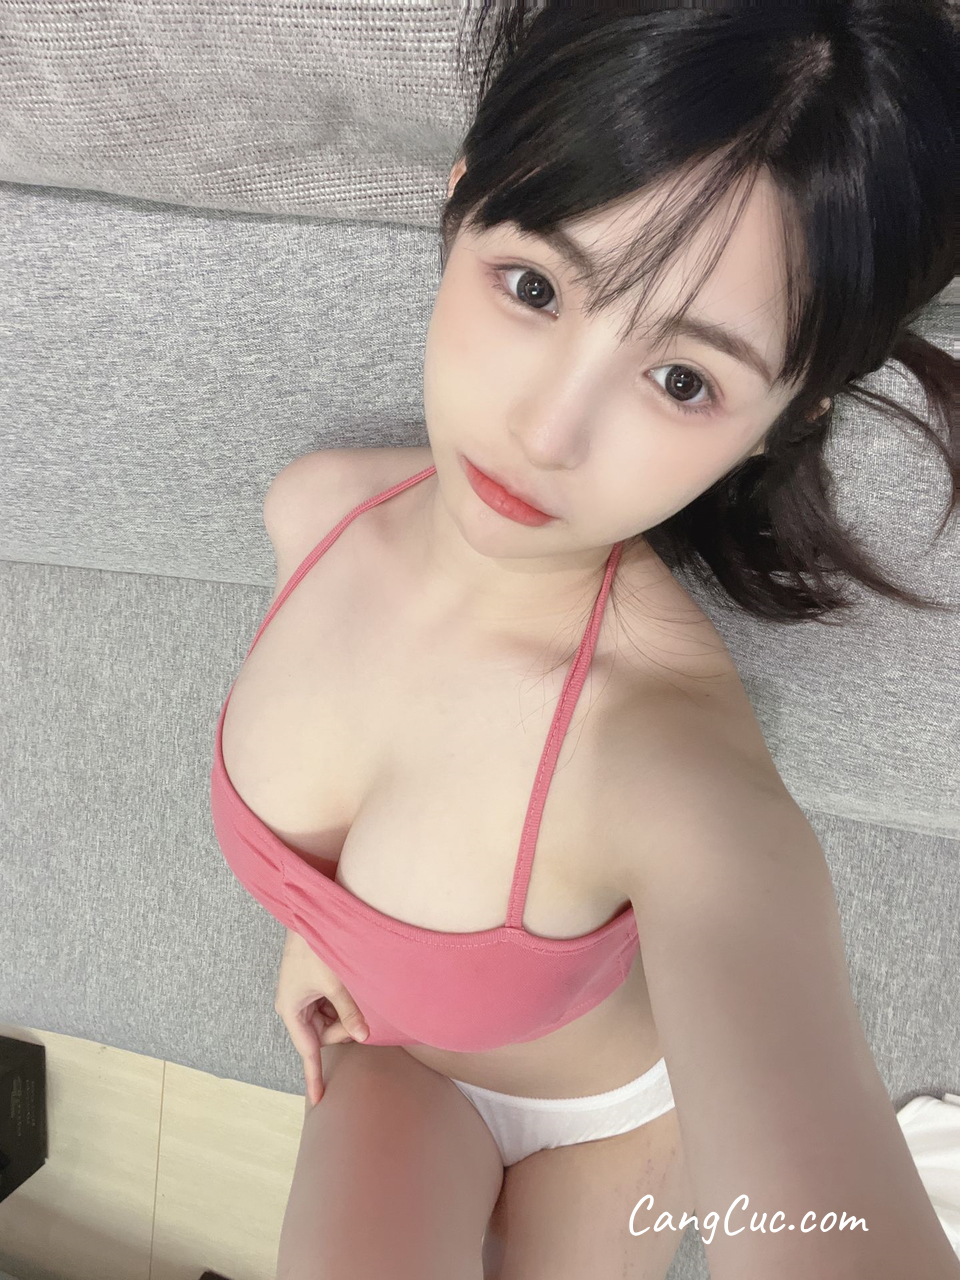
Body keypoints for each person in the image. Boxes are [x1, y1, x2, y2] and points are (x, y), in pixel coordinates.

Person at [210, 3, 958, 1277]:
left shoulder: (672, 761)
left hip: (611, 1118)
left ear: (790, 415)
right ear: (462, 198)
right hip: (394, 1053)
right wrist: (324, 925)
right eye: (535, 285)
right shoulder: (312, 509)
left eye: (684, 379)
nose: (546, 432)